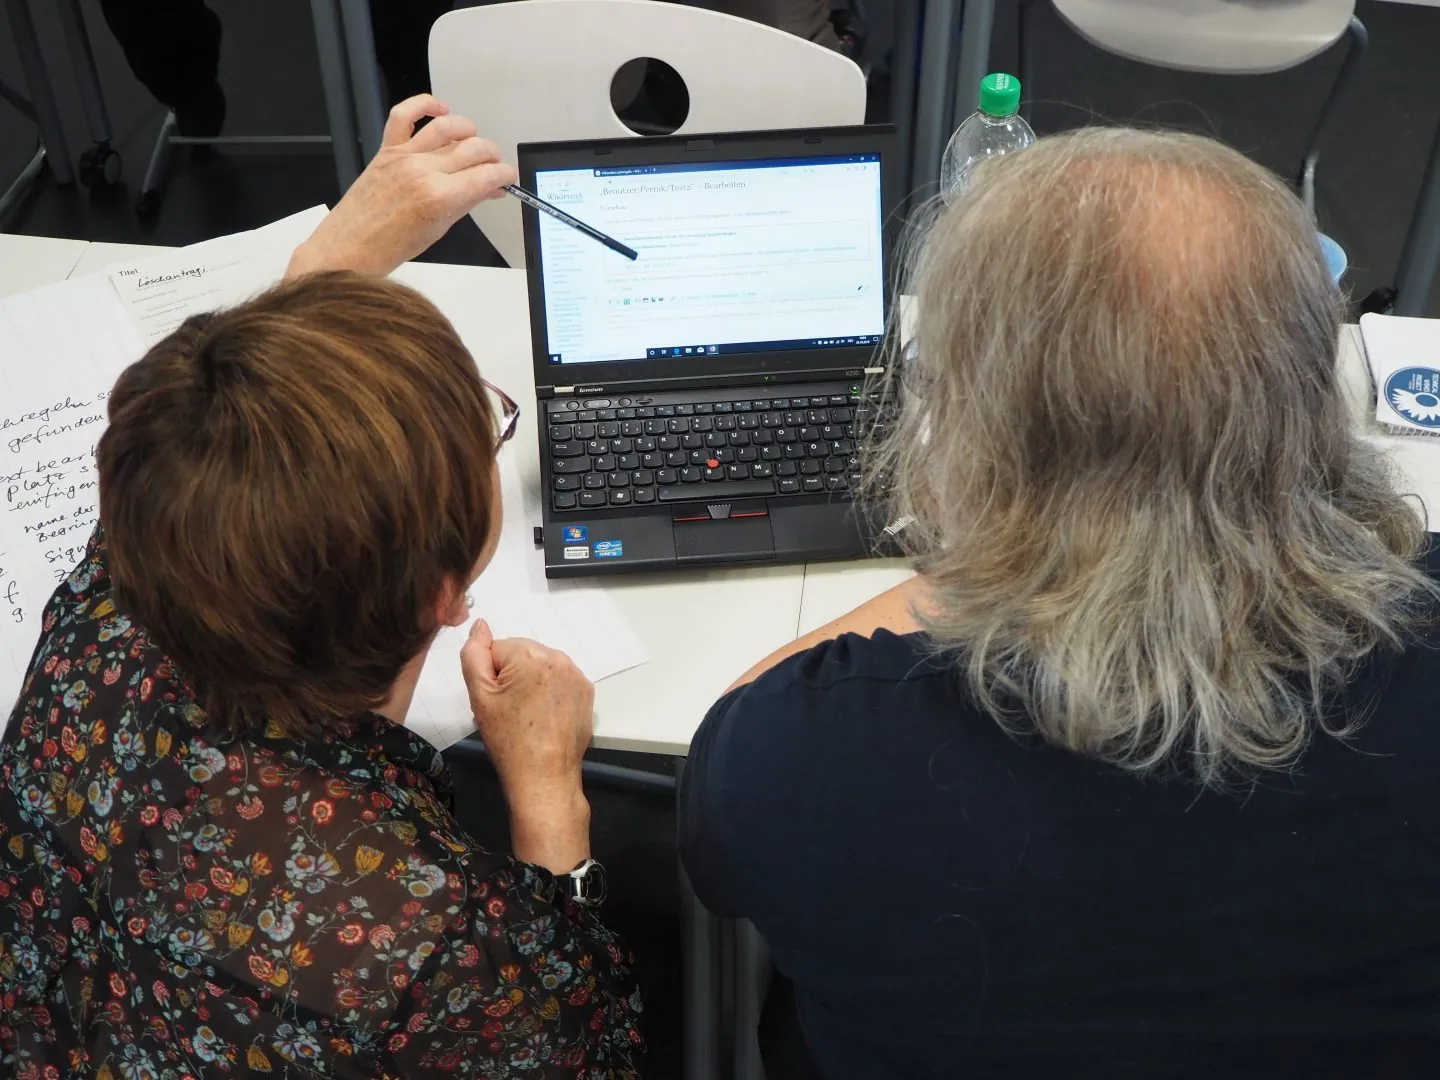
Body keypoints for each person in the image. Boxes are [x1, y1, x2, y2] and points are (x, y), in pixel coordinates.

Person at [679, 127, 1440, 1078]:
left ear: (975, 428)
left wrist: (992, 551)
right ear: (1300, 389)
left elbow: (716, 795)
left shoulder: (805, 753)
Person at [0, 96, 644, 1078]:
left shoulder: (105, 616)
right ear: (443, 594)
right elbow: (584, 1052)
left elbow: (214, 458)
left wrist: (325, 270)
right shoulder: (425, 935)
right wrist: (550, 796)